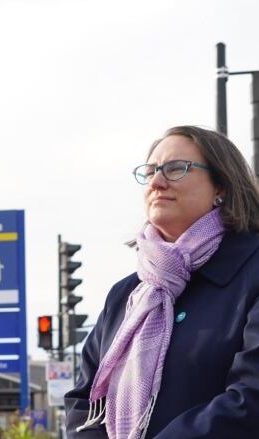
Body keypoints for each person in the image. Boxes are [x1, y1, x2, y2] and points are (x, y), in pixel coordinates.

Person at [65, 125, 259, 438]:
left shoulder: (252, 271)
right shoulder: (127, 294)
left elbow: (251, 399)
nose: (156, 182)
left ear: (221, 186)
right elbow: (84, 402)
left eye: (176, 169)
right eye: (151, 171)